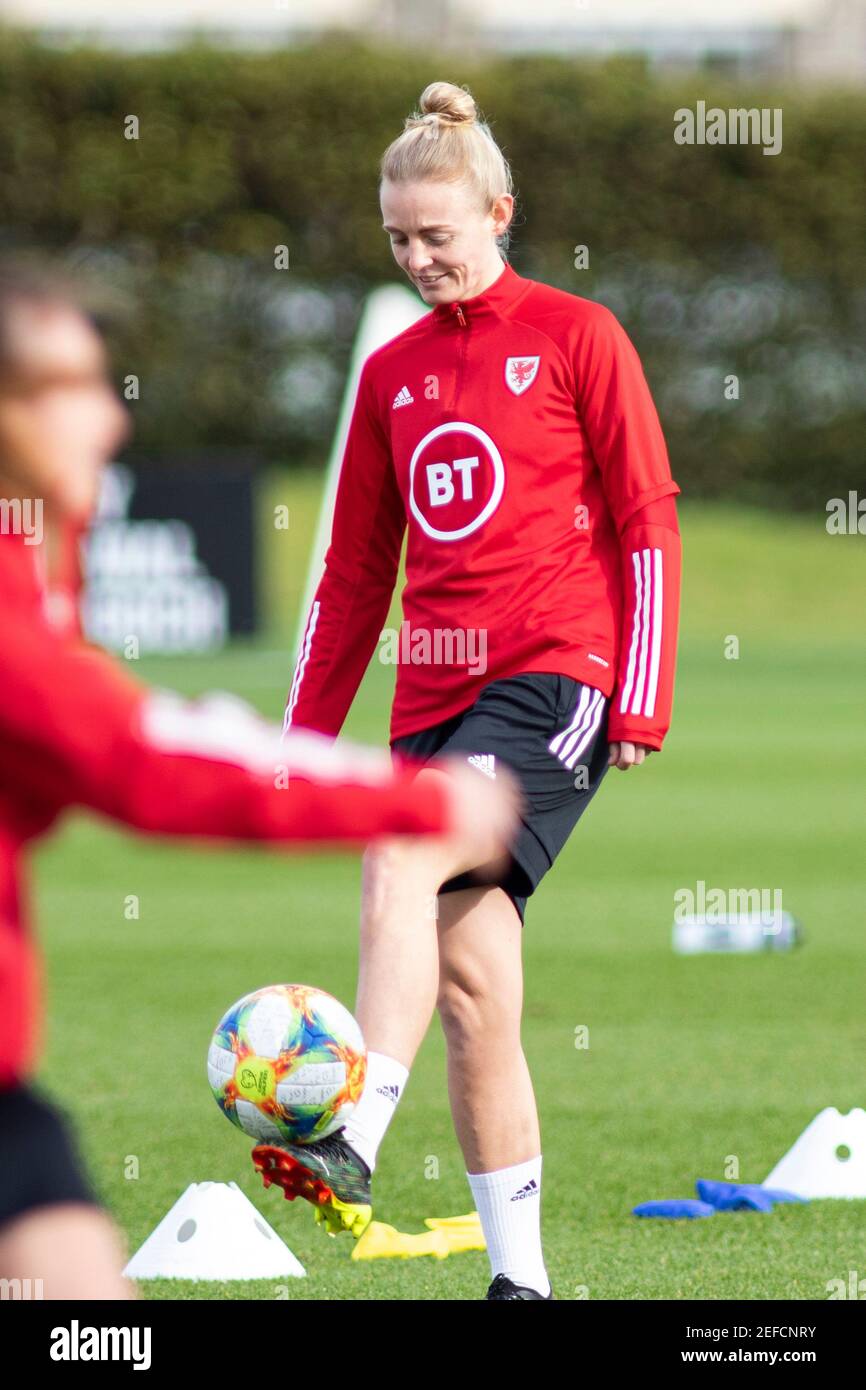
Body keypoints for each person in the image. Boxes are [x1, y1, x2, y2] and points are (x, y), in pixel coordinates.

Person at [0, 262, 519, 1299]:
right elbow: (148, 761)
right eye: (69, 387)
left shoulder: (32, 563)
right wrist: (419, 798)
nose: (110, 419)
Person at [254, 80, 683, 1301]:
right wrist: (302, 744)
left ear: (500, 211)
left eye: (439, 233)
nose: (419, 255)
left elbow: (646, 515)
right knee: (470, 991)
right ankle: (524, 1282)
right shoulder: (389, 372)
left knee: (396, 854)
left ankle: (353, 1133)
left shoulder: (577, 333)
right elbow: (350, 574)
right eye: (398, 238)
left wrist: (639, 695)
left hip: (557, 677)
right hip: (430, 705)